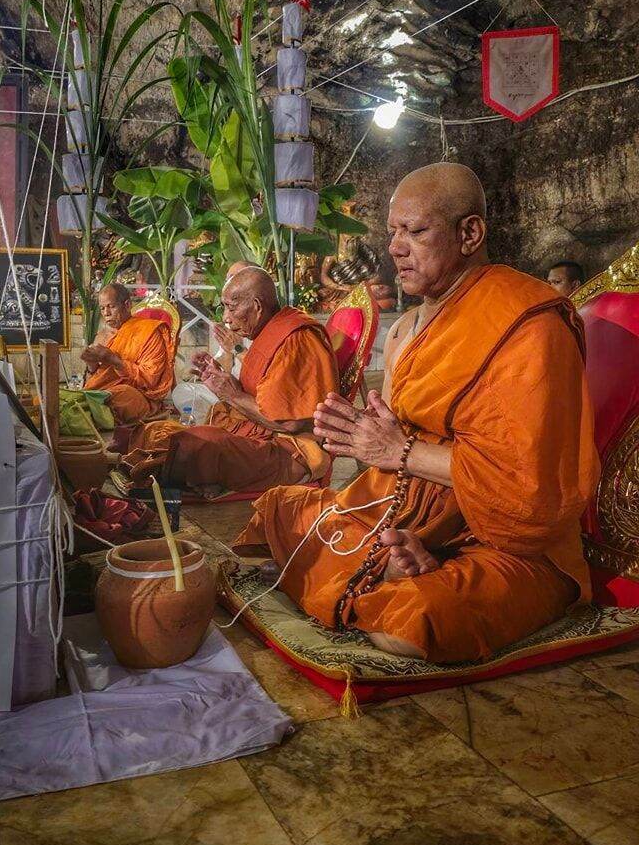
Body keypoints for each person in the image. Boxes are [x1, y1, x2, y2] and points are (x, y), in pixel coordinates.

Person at [236, 164, 600, 663]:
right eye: (392, 233)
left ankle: (422, 571)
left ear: (469, 233)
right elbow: (388, 460)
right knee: (277, 511)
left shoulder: (529, 327)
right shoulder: (408, 325)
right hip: (409, 511)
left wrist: (397, 450)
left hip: (506, 541)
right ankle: (403, 558)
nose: (395, 248)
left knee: (411, 621)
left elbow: (528, 487)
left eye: (415, 231)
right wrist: (365, 441)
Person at [123, 266, 339, 494]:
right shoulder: (271, 330)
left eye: (231, 308)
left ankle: (185, 473)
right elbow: (260, 393)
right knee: (153, 430)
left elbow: (287, 423)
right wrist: (223, 383)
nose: (225, 318)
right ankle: (191, 473)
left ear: (256, 306)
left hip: (287, 450)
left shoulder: (296, 339)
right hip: (255, 435)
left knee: (195, 444)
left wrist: (232, 394)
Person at [81, 283, 176, 424]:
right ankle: (87, 410)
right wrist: (91, 365)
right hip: (100, 392)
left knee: (122, 394)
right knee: (92, 397)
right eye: (102, 308)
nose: (106, 313)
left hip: (139, 395)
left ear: (127, 305)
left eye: (111, 307)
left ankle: (85, 412)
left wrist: (114, 360)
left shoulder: (148, 332)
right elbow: (94, 380)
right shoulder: (102, 335)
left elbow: (150, 380)